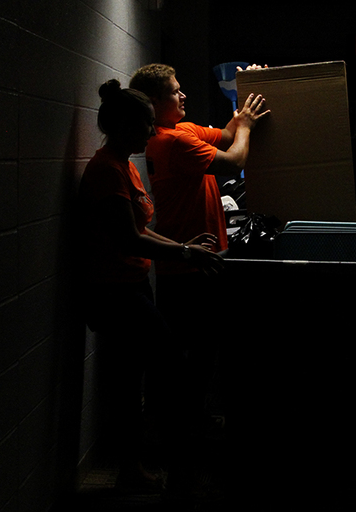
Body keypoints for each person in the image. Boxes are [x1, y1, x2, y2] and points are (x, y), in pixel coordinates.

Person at [78, 79, 223, 490]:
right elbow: (128, 238)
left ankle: (132, 466)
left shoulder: (124, 165)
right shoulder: (107, 170)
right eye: (145, 124)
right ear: (125, 126)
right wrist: (184, 254)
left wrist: (182, 246)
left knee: (130, 379)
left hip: (132, 284)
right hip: (114, 291)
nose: (150, 131)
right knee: (169, 365)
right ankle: (176, 467)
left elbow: (142, 228)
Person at [128, 64, 270, 431]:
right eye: (176, 91)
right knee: (197, 351)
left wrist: (247, 100)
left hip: (195, 258)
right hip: (190, 264)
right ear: (157, 102)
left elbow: (226, 133)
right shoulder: (172, 141)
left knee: (193, 348)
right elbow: (235, 158)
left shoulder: (181, 131)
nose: (184, 94)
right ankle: (186, 425)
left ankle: (185, 419)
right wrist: (248, 127)